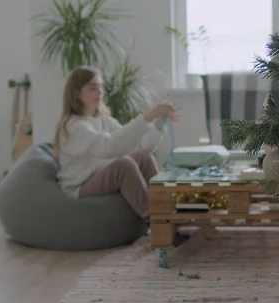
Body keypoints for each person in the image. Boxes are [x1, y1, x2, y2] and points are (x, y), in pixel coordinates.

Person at [53, 66, 186, 242]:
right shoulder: (74, 127)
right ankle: (155, 222)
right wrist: (148, 115)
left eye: (100, 86)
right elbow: (111, 147)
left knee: (143, 156)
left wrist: (158, 123)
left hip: (100, 173)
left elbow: (139, 146)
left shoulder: (104, 121)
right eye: (92, 87)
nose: (99, 92)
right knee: (124, 165)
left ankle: (165, 211)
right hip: (81, 184)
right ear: (76, 93)